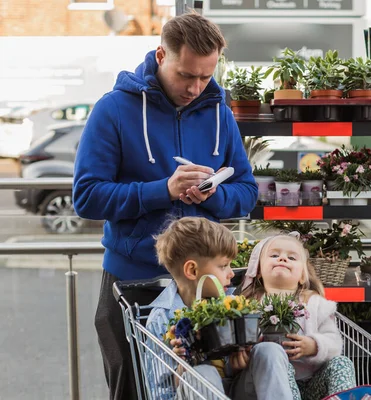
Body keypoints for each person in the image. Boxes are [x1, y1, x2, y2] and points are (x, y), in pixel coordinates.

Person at [72, 11, 258, 399]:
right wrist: (165, 190)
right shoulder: (114, 109)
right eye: (185, 75)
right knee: (133, 390)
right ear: (161, 56)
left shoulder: (220, 112)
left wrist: (215, 194)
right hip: (133, 281)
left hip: (204, 287)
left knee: (206, 388)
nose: (195, 88)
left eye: (205, 76)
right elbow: (87, 197)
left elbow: (246, 192)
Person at [233, 234, 357, 400]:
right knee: (283, 367)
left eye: (291, 257)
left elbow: (334, 342)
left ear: (302, 276)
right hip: (268, 383)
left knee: (342, 363)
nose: (283, 259)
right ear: (259, 271)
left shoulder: (315, 303)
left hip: (312, 383)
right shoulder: (248, 305)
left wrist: (314, 345)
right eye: (274, 255)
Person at [146, 217, 236, 399]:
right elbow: (160, 392)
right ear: (193, 271)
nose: (232, 273)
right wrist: (182, 366)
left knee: (268, 352)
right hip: (193, 392)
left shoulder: (233, 306)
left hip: (234, 389)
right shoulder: (162, 319)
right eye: (224, 266)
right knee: (204, 373)